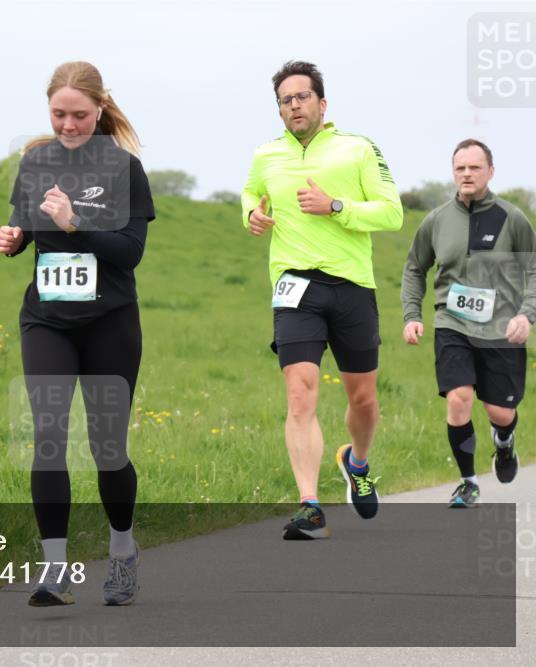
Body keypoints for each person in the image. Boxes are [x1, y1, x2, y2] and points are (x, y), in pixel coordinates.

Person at [0, 61, 155, 606]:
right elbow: (27, 230)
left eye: (79, 115)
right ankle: (55, 570)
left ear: (100, 110)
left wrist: (75, 226)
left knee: (107, 447)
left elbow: (130, 252)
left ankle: (122, 551)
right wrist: (14, 238)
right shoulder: (35, 162)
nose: (68, 124)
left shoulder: (124, 167)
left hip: (109, 321)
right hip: (47, 319)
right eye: (59, 114)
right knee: (46, 436)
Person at [241, 61, 403, 540]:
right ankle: (310, 505)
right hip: (295, 287)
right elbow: (251, 190)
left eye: (302, 96)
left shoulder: (358, 148)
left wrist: (336, 207)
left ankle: (357, 462)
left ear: (322, 102)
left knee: (364, 400)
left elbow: (391, 212)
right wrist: (252, 212)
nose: (294, 105)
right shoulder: (266, 155)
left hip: (352, 285)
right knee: (299, 392)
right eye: (285, 100)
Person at [401, 139, 534, 508]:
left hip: (501, 329)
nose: (467, 174)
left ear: (490, 171)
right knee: (459, 399)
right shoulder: (437, 220)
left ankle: (504, 443)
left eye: (475, 167)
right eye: (460, 168)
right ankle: (468, 482)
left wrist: (527, 313)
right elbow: (415, 268)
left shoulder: (513, 219)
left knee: (500, 412)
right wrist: (412, 315)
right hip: (452, 323)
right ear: (453, 172)